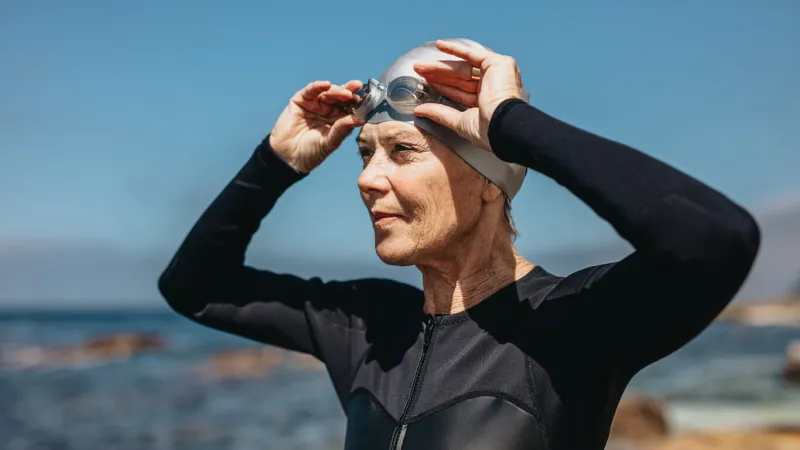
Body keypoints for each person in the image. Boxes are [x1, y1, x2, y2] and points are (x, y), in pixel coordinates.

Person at [158, 39, 760, 450]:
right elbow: (194, 288)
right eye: (366, 155)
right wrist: (276, 162)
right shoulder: (368, 328)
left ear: (490, 182)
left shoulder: (569, 324)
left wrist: (512, 124)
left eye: (403, 151)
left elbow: (714, 239)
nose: (368, 179)